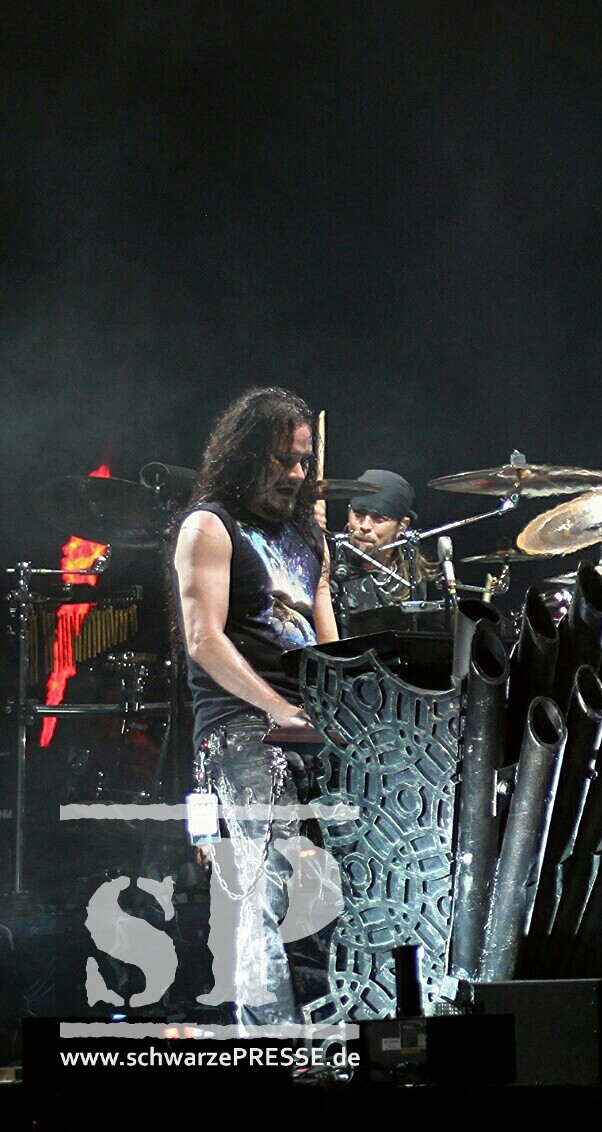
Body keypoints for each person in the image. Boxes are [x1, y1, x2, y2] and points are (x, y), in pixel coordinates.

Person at [172, 387, 339, 1027]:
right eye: (282, 459)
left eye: (302, 460)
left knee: (336, 884)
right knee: (264, 885)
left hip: (308, 722)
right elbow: (203, 639)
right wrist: (277, 709)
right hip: (241, 724)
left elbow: (329, 643)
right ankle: (267, 1042)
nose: (295, 474)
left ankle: (334, 1030)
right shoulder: (209, 526)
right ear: (246, 455)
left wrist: (345, 709)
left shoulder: (310, 539)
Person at [330, 469, 431, 632]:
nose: (365, 526)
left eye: (379, 519)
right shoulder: (329, 567)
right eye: (359, 514)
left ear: (402, 526)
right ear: (349, 511)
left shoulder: (413, 574)